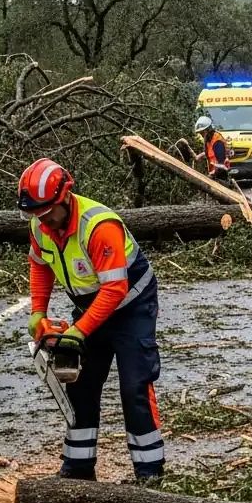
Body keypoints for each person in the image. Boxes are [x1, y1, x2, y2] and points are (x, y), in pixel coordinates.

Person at [18, 157, 163, 482]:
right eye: (35, 216)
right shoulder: (40, 226)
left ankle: (149, 473)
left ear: (65, 198)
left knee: (134, 386)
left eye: (47, 214)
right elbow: (40, 264)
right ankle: (78, 469)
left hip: (130, 305)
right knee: (80, 385)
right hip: (90, 305)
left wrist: (79, 331)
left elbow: (114, 288)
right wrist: (38, 311)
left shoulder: (98, 226)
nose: (44, 222)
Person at [193, 115, 231, 180]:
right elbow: (211, 152)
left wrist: (213, 174)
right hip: (214, 175)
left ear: (208, 130)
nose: (202, 135)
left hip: (221, 176)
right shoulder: (209, 140)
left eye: (202, 133)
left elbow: (221, 163)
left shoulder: (217, 142)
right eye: (200, 133)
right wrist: (200, 155)